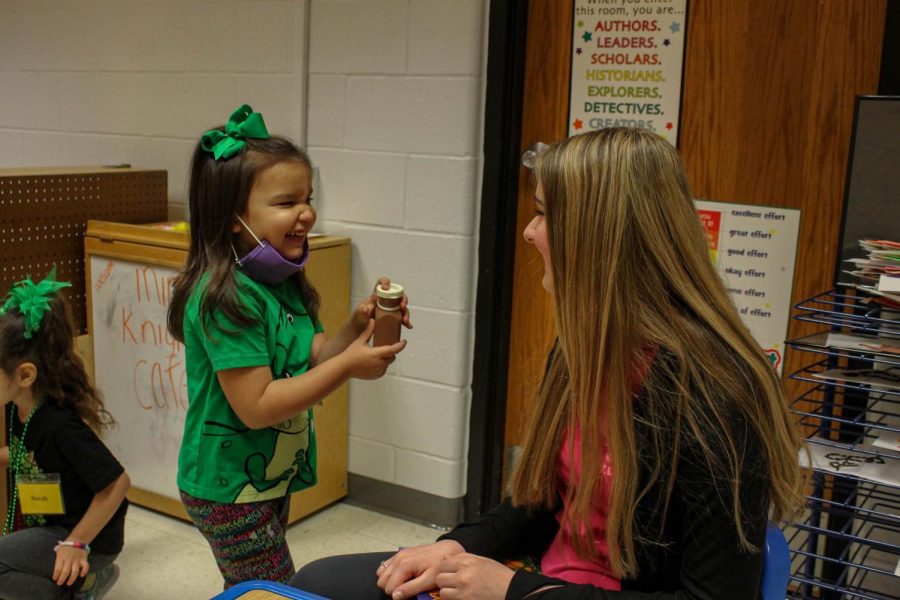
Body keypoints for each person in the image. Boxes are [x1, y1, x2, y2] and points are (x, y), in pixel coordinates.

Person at [290, 127, 805, 599]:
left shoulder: (717, 399)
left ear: (598, 237)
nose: (529, 233)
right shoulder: (589, 344)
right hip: (545, 579)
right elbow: (542, 503)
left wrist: (515, 591)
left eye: (543, 215)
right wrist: (457, 545)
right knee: (318, 583)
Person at [166, 104, 410, 588]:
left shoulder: (281, 281)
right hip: (227, 488)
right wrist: (348, 368)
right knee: (273, 591)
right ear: (235, 218)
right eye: (286, 202)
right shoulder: (224, 299)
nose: (307, 213)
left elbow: (312, 353)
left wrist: (355, 329)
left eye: (309, 197)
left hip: (264, 479)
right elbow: (256, 406)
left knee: (251, 588)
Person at [0, 268, 130, 600]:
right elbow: (27, 454)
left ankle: (83, 584)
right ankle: (79, 583)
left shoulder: (59, 425)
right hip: (52, 526)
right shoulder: (16, 406)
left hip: (87, 537)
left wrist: (77, 543)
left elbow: (117, 483)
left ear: (25, 375)